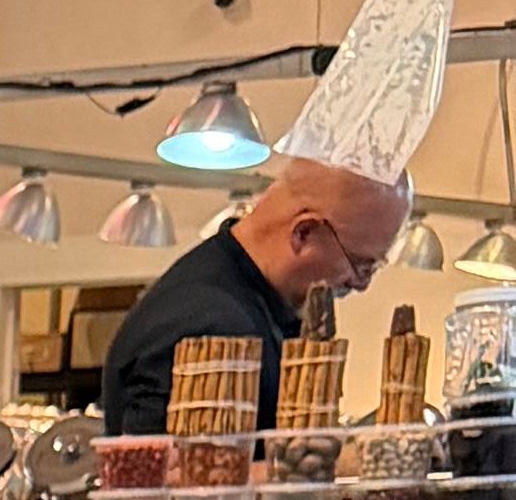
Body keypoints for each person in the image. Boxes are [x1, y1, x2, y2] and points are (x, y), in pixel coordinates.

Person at [95, 153, 410, 428]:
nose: (361, 284)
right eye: (360, 265)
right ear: (304, 232)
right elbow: (163, 472)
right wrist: (345, 463)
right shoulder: (209, 324)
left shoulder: (255, 306)